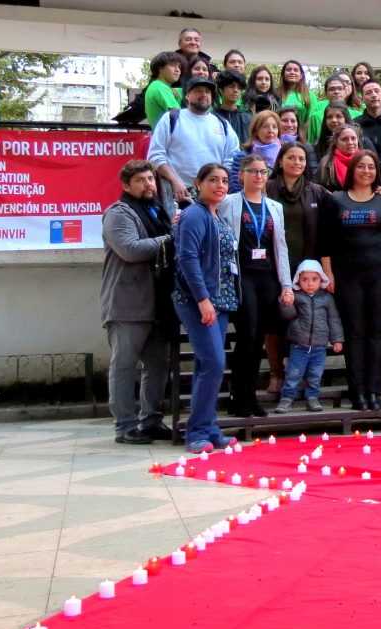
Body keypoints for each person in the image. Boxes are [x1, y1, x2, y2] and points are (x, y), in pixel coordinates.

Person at [100, 160, 176, 445]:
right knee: (125, 366)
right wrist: (170, 239)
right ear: (126, 186)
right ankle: (125, 426)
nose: (148, 185)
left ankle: (151, 420)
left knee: (158, 364)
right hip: (127, 303)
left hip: (158, 302)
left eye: (151, 179)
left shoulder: (158, 211)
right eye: (141, 180)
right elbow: (130, 250)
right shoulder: (118, 214)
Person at [320, 150, 381, 411]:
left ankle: (373, 390)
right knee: (355, 333)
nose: (366, 171)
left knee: (375, 333)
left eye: (371, 167)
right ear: (352, 170)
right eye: (361, 166)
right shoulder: (337, 200)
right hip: (347, 277)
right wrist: (328, 273)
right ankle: (358, 392)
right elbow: (326, 241)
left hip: (379, 276)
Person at [220, 154, 294, 417]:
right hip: (243, 277)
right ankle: (238, 397)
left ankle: (250, 398)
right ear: (241, 175)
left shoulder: (274, 207)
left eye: (263, 172)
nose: (259, 177)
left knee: (260, 338)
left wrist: (286, 284)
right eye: (253, 172)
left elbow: (281, 247)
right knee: (247, 336)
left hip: (268, 277)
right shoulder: (229, 203)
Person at [172, 163, 239, 453]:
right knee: (214, 363)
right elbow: (187, 259)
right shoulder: (194, 215)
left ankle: (210, 429)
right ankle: (196, 431)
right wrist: (202, 299)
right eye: (213, 180)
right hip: (198, 300)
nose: (220, 185)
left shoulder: (217, 215)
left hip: (220, 300)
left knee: (206, 366)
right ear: (198, 183)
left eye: (224, 180)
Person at [147, 77, 240, 209]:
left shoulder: (222, 124)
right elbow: (155, 155)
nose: (203, 95)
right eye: (198, 91)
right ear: (187, 96)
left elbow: (232, 158)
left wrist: (219, 184)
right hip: (180, 195)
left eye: (207, 92)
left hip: (215, 198)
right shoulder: (171, 119)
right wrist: (175, 182)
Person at [275, 260, 344, 413]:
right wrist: (286, 303)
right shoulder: (296, 296)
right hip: (299, 345)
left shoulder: (327, 298)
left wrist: (337, 339)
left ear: (321, 280)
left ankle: (312, 398)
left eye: (314, 279)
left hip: (319, 347)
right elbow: (288, 315)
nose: (310, 283)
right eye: (305, 279)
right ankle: (286, 398)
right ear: (298, 280)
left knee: (315, 374)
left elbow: (334, 319)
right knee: (293, 373)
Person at [267, 140, 331, 265]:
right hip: (272, 263)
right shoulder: (266, 189)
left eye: (301, 159)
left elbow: (342, 204)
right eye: (291, 158)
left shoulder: (317, 192)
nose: (297, 162)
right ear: (280, 161)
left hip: (307, 267)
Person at [227, 110, 283, 193]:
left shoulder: (284, 156)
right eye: (265, 126)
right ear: (256, 131)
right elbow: (235, 187)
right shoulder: (242, 157)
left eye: (274, 127)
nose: (270, 130)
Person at [307, 75, 363, 145]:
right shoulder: (316, 117)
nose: (336, 92)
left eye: (340, 89)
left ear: (345, 92)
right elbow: (310, 143)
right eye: (331, 89)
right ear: (326, 94)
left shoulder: (358, 115)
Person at [315, 124, 362, 192]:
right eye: (344, 139)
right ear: (335, 142)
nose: (350, 142)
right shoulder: (327, 165)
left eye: (353, 138)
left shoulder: (367, 160)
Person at [143, 52, 183, 128]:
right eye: (172, 65)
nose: (177, 70)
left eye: (179, 67)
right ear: (160, 68)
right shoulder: (159, 86)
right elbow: (178, 117)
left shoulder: (163, 87)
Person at [277, 107, 319, 175]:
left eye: (293, 121)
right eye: (285, 120)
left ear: (298, 124)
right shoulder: (271, 147)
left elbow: (314, 174)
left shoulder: (307, 148)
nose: (289, 125)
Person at [216, 70, 251, 144]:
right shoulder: (212, 117)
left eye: (239, 88)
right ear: (221, 90)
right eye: (231, 86)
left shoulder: (247, 118)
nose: (235, 90)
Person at [278, 60, 317, 127]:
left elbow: (311, 118)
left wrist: (303, 135)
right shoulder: (275, 94)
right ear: (283, 74)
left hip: (301, 135)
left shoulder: (309, 95)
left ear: (301, 75)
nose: (292, 72)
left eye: (295, 70)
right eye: (288, 70)